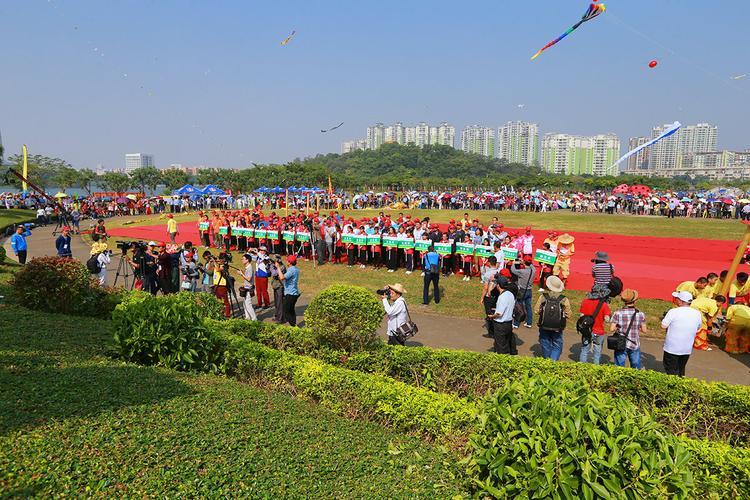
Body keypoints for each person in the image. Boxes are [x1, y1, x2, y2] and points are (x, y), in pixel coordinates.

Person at [661, 291, 702, 377]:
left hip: (672, 347)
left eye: (677, 299)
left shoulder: (673, 311)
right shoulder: (697, 313)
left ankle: (672, 387)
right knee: (681, 368)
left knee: (670, 369)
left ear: (681, 301)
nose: (675, 300)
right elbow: (698, 327)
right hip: (686, 348)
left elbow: (663, 326)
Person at [609, 289, 647, 369]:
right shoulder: (640, 314)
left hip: (620, 343)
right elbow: (644, 330)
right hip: (634, 343)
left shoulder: (617, 313)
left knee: (619, 367)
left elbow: (611, 329)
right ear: (635, 300)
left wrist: (618, 327)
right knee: (635, 366)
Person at [536, 275, 571, 361]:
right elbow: (569, 314)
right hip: (557, 327)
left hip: (544, 324)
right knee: (557, 344)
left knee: (545, 342)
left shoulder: (543, 297)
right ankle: (553, 361)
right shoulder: (563, 299)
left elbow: (536, 311)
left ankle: (548, 360)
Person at [578, 284, 612, 365]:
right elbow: (607, 319)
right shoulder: (604, 305)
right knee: (597, 351)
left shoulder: (585, 302)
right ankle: (595, 367)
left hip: (587, 331)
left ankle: (582, 367)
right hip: (599, 331)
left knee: (584, 349)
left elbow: (581, 316)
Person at [487, 276, 518, 355]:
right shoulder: (510, 294)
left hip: (500, 325)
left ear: (498, 285)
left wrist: (491, 316)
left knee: (501, 346)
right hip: (509, 323)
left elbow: (499, 313)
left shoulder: (502, 297)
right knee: (507, 342)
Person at [510, 257, 535, 329]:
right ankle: (529, 323)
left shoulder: (522, 271)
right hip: (529, 290)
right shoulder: (533, 270)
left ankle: (516, 323)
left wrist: (514, 263)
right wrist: (526, 262)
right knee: (528, 307)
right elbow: (531, 266)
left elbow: (513, 270)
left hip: (522, 290)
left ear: (524, 262)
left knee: (519, 307)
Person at [276, 255, 300, 327]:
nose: (286, 261)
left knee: (286, 311)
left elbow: (282, 277)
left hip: (290, 293)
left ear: (289, 262)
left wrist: (278, 267)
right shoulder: (295, 269)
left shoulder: (291, 270)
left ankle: (293, 326)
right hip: (294, 293)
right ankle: (294, 325)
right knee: (291, 310)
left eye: (287, 260)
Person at [480, 256, 501, 336]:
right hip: (497, 295)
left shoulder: (487, 274)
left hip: (489, 297)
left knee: (489, 314)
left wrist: (482, 298)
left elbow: (485, 288)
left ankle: (491, 332)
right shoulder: (498, 272)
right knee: (495, 311)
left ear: (488, 263)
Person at [237, 253, 257, 320]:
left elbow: (249, 278)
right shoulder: (248, 268)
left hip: (249, 289)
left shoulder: (250, 268)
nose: (242, 260)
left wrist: (241, 274)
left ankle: (254, 319)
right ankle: (247, 317)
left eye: (243, 259)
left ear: (247, 260)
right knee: (245, 304)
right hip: (246, 287)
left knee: (248, 305)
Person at [213, 252, 232, 318]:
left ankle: (227, 315)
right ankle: (221, 313)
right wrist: (212, 261)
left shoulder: (224, 266)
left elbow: (218, 270)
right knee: (219, 301)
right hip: (216, 285)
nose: (219, 260)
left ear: (224, 259)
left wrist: (214, 261)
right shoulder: (218, 264)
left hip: (222, 286)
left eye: (220, 258)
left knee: (225, 301)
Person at [270, 254, 286, 323]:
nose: (273, 262)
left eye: (274, 261)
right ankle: (277, 316)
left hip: (280, 286)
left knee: (280, 303)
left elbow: (274, 274)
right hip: (275, 285)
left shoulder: (282, 267)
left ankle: (280, 319)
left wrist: (273, 267)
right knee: (276, 303)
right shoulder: (274, 266)